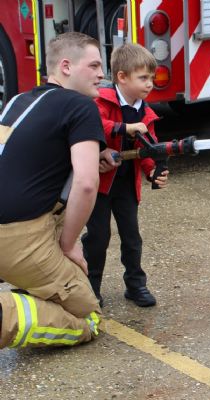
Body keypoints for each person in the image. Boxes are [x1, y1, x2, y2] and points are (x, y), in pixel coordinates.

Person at [0, 32, 116, 348]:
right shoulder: (81, 106)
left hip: (10, 229)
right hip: (20, 241)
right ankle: (5, 315)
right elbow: (87, 183)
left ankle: (29, 288)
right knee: (89, 319)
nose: (102, 74)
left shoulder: (17, 101)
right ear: (66, 66)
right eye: (94, 65)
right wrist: (68, 246)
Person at [81, 43, 168, 308]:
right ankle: (91, 289)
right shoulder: (102, 100)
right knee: (98, 238)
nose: (150, 84)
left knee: (132, 238)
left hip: (127, 185)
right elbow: (95, 124)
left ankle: (136, 285)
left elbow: (148, 146)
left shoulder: (145, 112)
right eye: (143, 78)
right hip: (100, 185)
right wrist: (124, 127)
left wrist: (152, 170)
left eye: (151, 78)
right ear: (122, 77)